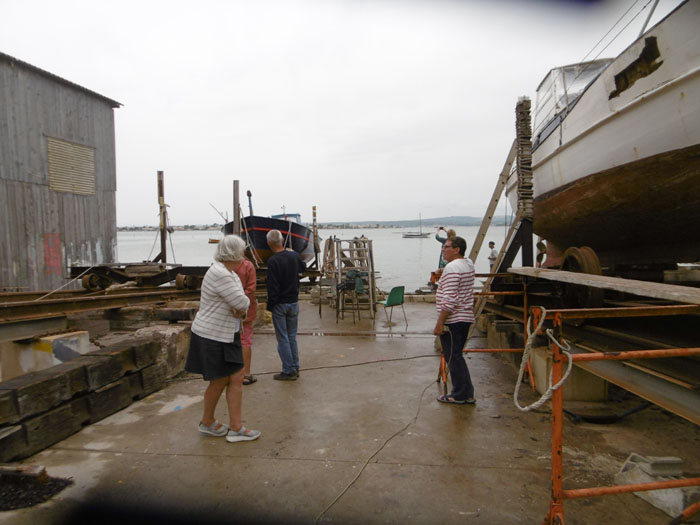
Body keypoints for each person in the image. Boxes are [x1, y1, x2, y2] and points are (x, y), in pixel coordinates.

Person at [184, 235, 261, 442]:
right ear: (235, 254)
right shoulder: (222, 274)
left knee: (234, 378)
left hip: (224, 334)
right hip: (214, 335)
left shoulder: (228, 272)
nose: (244, 255)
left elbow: (240, 303)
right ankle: (212, 423)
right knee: (220, 381)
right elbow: (243, 302)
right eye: (242, 251)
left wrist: (240, 307)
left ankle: (228, 426)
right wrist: (240, 307)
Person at [433, 236, 476, 405]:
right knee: (457, 356)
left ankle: (458, 395)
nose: (443, 249)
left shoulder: (452, 268)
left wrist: (440, 323)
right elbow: (459, 273)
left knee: (453, 357)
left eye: (446, 247)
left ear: (457, 250)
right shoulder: (468, 264)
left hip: (453, 320)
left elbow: (449, 300)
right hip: (465, 317)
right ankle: (467, 393)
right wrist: (443, 271)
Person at [266, 229, 307, 380]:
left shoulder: (273, 261)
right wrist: (294, 253)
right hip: (293, 301)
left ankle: (289, 370)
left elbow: (273, 287)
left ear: (269, 243)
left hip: (280, 304)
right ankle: (295, 366)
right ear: (282, 241)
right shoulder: (293, 256)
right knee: (291, 336)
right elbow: (303, 268)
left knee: (282, 337)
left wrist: (270, 305)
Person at [234, 254, 258, 385]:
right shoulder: (248, 265)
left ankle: (230, 374)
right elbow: (251, 288)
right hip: (246, 309)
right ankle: (246, 374)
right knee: (245, 341)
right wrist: (241, 301)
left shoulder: (222, 266)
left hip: (227, 309)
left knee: (228, 341)